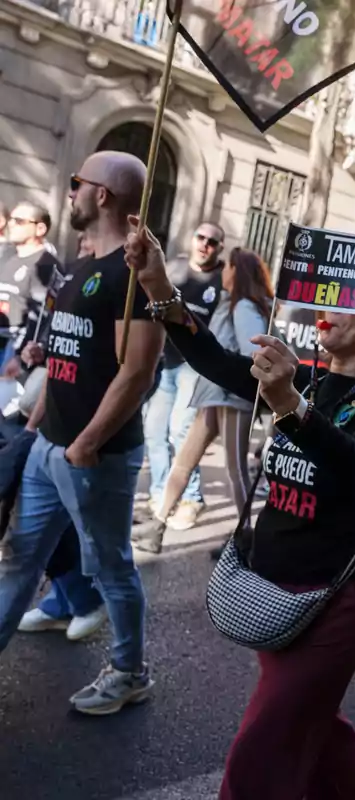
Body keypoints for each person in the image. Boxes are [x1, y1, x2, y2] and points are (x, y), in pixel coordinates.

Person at [125, 218, 355, 799]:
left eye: (346, 301)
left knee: (263, 749)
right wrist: (158, 284)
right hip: (276, 587)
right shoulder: (304, 379)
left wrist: (287, 405)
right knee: (313, 730)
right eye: (322, 300)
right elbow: (209, 356)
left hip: (336, 598)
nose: (324, 312)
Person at [0, 152, 166, 714]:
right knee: (21, 556)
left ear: (103, 196)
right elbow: (64, 353)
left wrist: (87, 443)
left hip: (97, 456)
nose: (69, 193)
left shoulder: (133, 274)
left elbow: (139, 370)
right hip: (50, 443)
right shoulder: (78, 264)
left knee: (110, 564)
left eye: (78, 184)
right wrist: (37, 420)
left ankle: (129, 671)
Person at [131, 248, 274, 553]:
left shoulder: (244, 306)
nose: (222, 272)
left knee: (235, 469)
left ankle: (246, 539)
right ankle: (158, 524)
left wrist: (232, 374)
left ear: (236, 271)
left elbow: (254, 350)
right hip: (215, 394)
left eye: (227, 268)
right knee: (184, 460)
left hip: (230, 397)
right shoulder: (235, 303)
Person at [140, 222, 226, 530]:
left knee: (181, 431)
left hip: (196, 367)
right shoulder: (174, 268)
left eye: (212, 242)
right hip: (166, 362)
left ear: (220, 248)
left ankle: (191, 499)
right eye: (200, 237)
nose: (205, 244)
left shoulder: (223, 280)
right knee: (153, 430)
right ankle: (160, 498)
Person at [0, 201, 61, 376]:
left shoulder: (46, 265)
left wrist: (20, 357)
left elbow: (43, 315)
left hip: (12, 350)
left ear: (40, 229)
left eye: (19, 221)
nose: (11, 224)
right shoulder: (7, 255)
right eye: (11, 219)